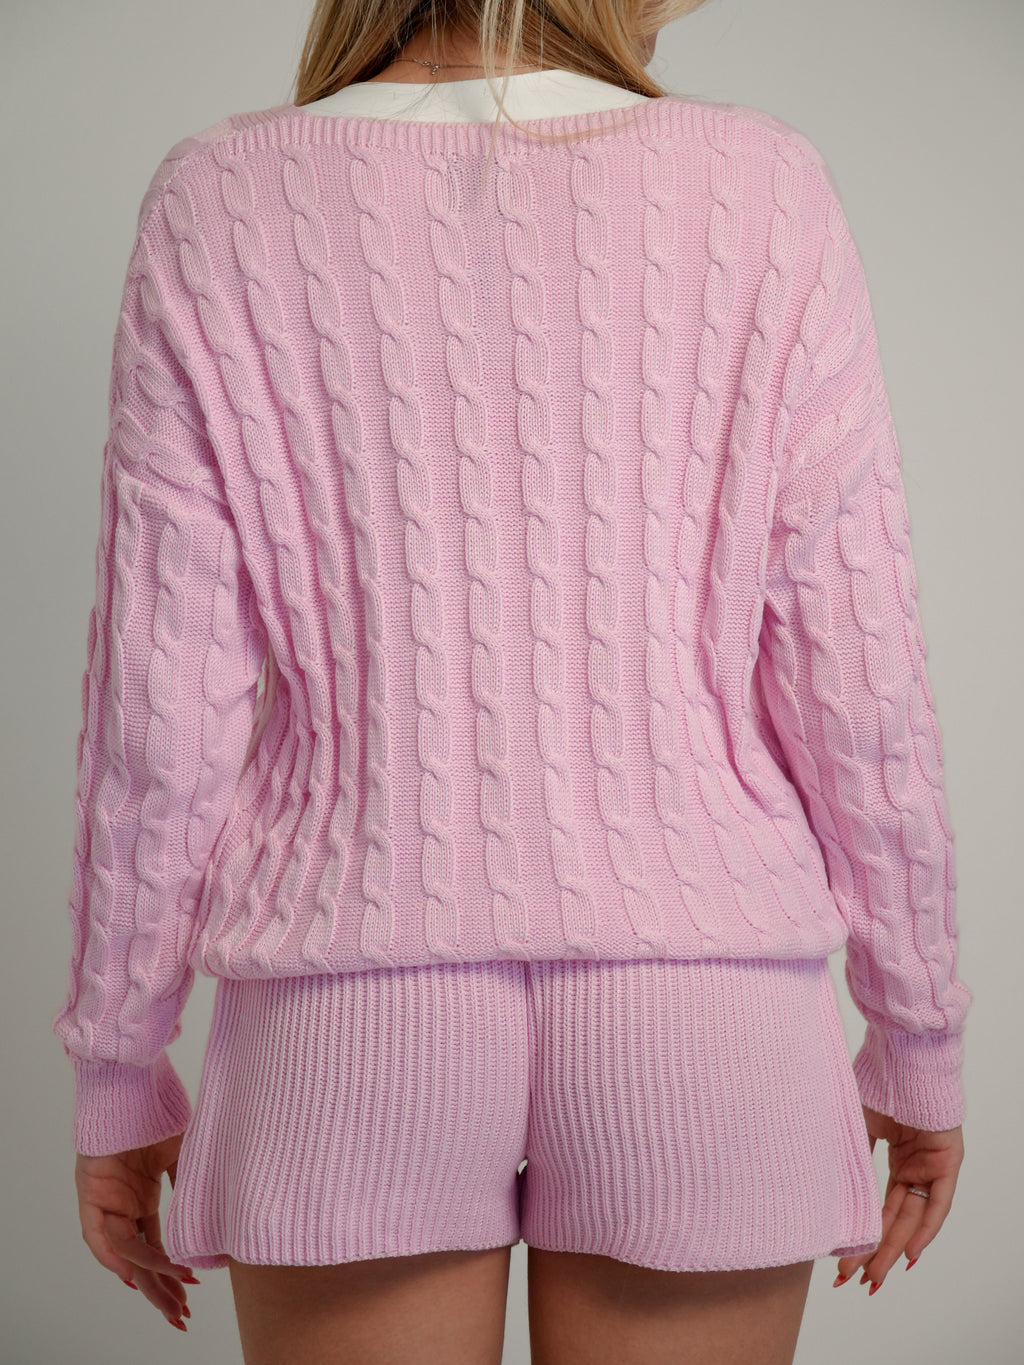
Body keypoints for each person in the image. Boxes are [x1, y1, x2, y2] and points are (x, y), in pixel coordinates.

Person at [51, 2, 972, 1362]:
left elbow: (159, 705)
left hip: (345, 995)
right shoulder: (763, 187)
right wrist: (916, 1027)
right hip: (704, 996)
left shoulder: (220, 201)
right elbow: (859, 670)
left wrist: (120, 1061)